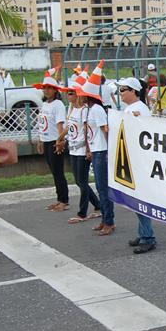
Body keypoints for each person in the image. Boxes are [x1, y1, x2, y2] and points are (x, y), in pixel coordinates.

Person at [117, 77, 158, 254]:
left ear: (133, 91)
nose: (120, 93)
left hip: (139, 162)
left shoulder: (140, 109)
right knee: (136, 200)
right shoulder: (131, 108)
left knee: (140, 200)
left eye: (123, 90)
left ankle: (148, 237)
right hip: (132, 159)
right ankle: (143, 234)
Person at [82, 61, 115, 236]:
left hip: (102, 152)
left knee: (103, 188)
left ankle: (109, 221)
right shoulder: (90, 109)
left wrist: (109, 151)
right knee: (100, 187)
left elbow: (105, 130)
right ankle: (105, 219)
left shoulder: (97, 110)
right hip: (96, 151)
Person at [63, 76, 101, 224]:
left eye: (71, 92)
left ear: (78, 94)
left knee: (83, 182)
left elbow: (86, 130)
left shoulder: (84, 110)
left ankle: (82, 212)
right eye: (68, 92)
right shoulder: (72, 109)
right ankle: (98, 205)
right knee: (78, 181)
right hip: (73, 148)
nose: (68, 95)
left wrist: (88, 149)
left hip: (82, 149)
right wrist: (60, 139)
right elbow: (69, 128)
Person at [33, 67, 69, 212]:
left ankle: (64, 200)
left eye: (49, 88)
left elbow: (60, 124)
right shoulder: (45, 104)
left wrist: (60, 141)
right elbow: (42, 124)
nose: (46, 90)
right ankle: (59, 198)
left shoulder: (58, 105)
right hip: (46, 141)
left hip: (55, 141)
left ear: (55, 90)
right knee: (54, 172)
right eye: (45, 88)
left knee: (58, 172)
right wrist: (40, 140)